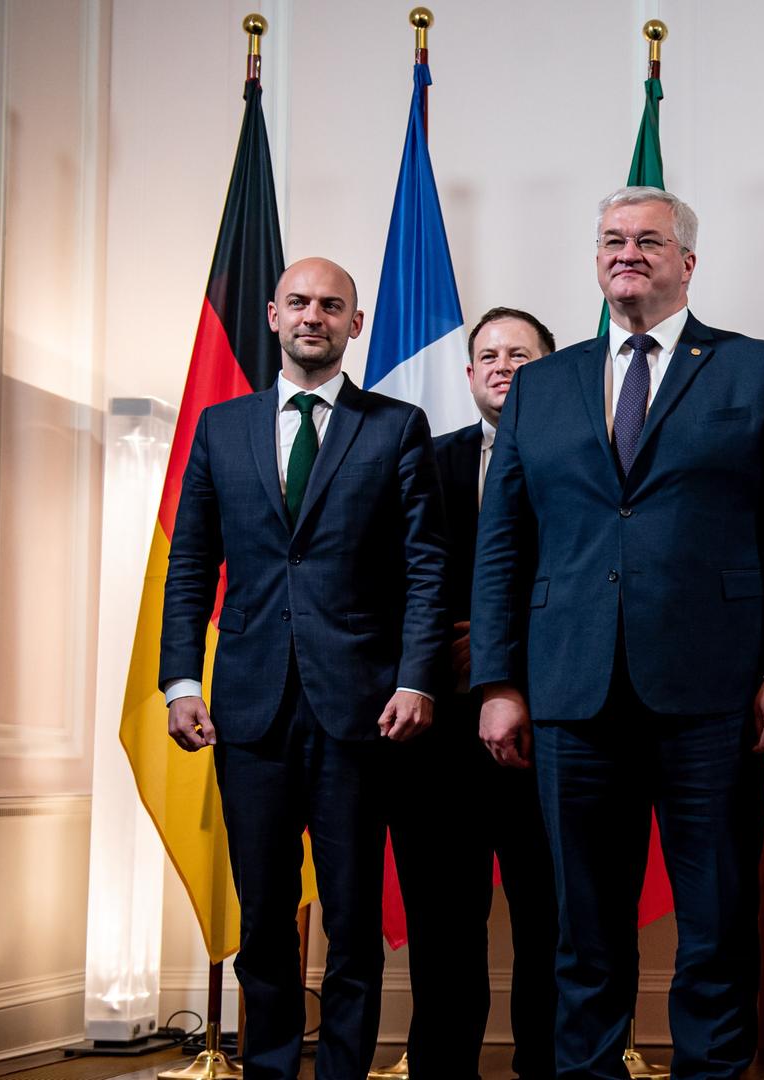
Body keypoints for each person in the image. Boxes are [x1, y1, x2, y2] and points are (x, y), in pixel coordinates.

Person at [471, 186, 764, 1080]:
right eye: (611, 240)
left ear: (686, 262)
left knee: (715, 922)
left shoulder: (758, 370)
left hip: (713, 695)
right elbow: (503, 542)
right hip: (569, 693)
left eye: (648, 241)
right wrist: (499, 682)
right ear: (596, 258)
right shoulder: (544, 385)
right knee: (582, 931)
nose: (627, 253)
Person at [160, 257, 448, 1080]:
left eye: (331, 304)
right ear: (274, 316)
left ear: (355, 324)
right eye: (298, 302)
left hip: (362, 708)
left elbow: (426, 568)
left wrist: (417, 678)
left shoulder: (396, 426)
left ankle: (344, 1073)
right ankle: (272, 1067)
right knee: (264, 916)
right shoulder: (222, 428)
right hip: (248, 711)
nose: (312, 315)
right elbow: (191, 566)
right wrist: (182, 681)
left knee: (352, 917)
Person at [392, 306, 560, 1078]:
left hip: (548, 725)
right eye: (488, 355)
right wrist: (437, 651)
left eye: (520, 355)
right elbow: (390, 576)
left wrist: (501, 651)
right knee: (445, 925)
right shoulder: (423, 459)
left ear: (550, 370)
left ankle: (547, 1066)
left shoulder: (582, 459)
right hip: (439, 734)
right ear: (468, 376)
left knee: (549, 921)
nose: (502, 366)